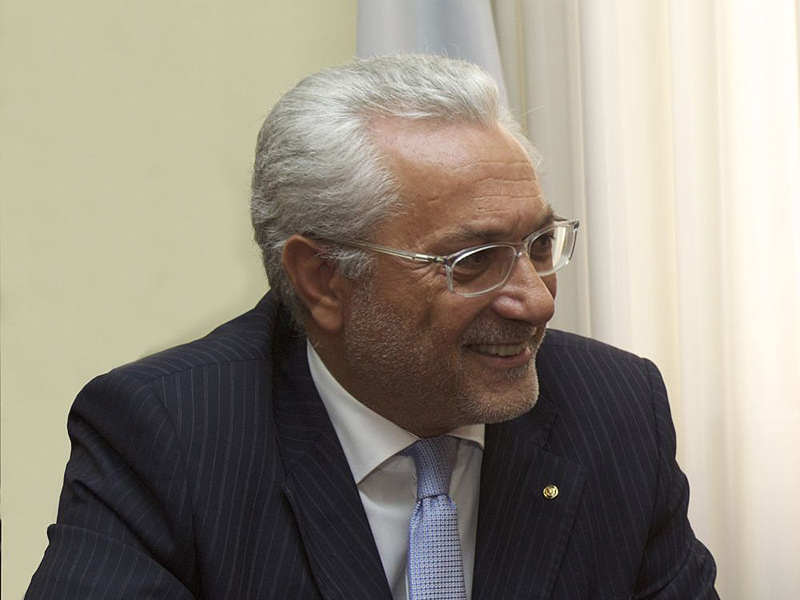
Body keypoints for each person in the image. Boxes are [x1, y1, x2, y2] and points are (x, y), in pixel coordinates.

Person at [27, 54, 718, 599]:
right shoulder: (172, 433)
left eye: (539, 245)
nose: (536, 302)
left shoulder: (614, 406)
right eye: (473, 261)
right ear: (323, 280)